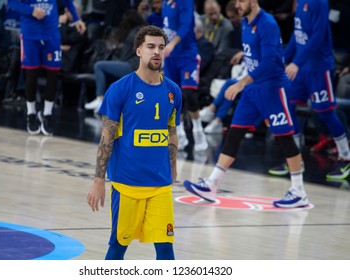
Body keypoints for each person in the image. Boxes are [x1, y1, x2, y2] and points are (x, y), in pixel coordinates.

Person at [184, 0, 309, 208]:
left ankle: (298, 191)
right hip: (253, 89)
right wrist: (244, 57)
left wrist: (241, 82)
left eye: (241, 1)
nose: (237, 5)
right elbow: (256, 53)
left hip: (272, 88)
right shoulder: (244, 22)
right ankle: (212, 184)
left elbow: (270, 62)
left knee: (284, 137)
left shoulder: (268, 24)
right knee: (234, 132)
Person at [87, 25, 182, 260]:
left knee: (166, 248)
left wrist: (173, 166)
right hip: (126, 185)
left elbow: (171, 132)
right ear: (138, 50)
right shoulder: (120, 90)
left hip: (160, 185)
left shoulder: (173, 92)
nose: (157, 52)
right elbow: (106, 138)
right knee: (118, 247)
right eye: (151, 47)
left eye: (161, 47)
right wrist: (99, 180)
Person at [268, 0, 350, 180]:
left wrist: (296, 62)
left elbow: (318, 36)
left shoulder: (319, 2)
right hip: (302, 67)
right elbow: (297, 38)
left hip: (319, 67)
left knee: (325, 112)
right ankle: (294, 159)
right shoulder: (300, 1)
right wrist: (282, 60)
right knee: (287, 106)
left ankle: (346, 157)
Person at [7, 0, 86, 136]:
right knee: (31, 75)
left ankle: (47, 114)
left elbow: (68, 2)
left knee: (53, 74)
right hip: (30, 35)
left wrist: (77, 19)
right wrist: (31, 11)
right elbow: (12, 3)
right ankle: (31, 113)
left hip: (51, 35)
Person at [162, 0, 208, 152]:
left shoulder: (185, 2)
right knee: (172, 96)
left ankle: (198, 131)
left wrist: (172, 44)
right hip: (170, 57)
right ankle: (180, 135)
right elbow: (166, 28)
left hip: (187, 55)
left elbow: (185, 26)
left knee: (188, 93)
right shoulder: (165, 3)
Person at [84, 9, 146, 113]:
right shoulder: (142, 31)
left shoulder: (134, 33)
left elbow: (126, 54)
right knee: (107, 71)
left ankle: (100, 99)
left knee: (99, 66)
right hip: (137, 65)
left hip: (132, 65)